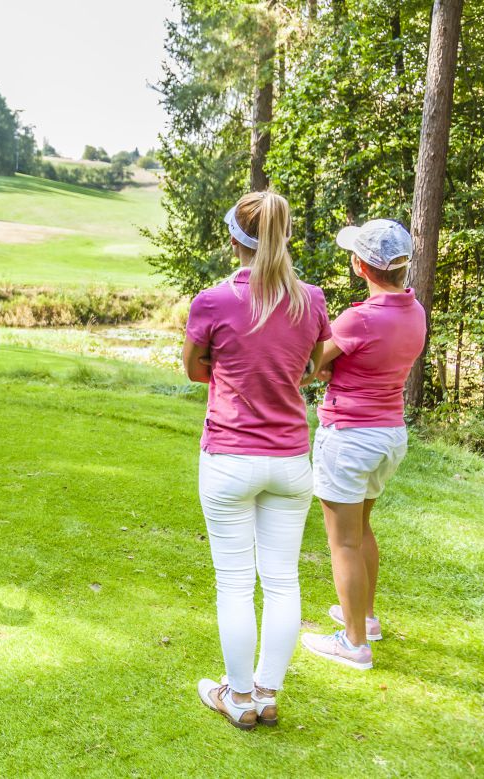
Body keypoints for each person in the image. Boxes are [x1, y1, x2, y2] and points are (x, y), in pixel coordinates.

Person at [183, 191, 331, 730]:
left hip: (229, 458)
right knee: (283, 580)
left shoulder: (213, 300)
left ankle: (239, 696)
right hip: (290, 459)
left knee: (234, 583)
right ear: (283, 236)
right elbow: (315, 367)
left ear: (233, 238)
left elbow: (195, 370)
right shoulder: (311, 299)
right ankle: (266, 693)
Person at [300, 220, 426, 670]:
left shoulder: (360, 318)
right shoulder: (415, 311)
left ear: (360, 265)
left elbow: (310, 365)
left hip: (351, 437)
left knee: (343, 543)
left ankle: (353, 644)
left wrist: (322, 368)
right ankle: (366, 619)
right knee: (362, 530)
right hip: (389, 436)